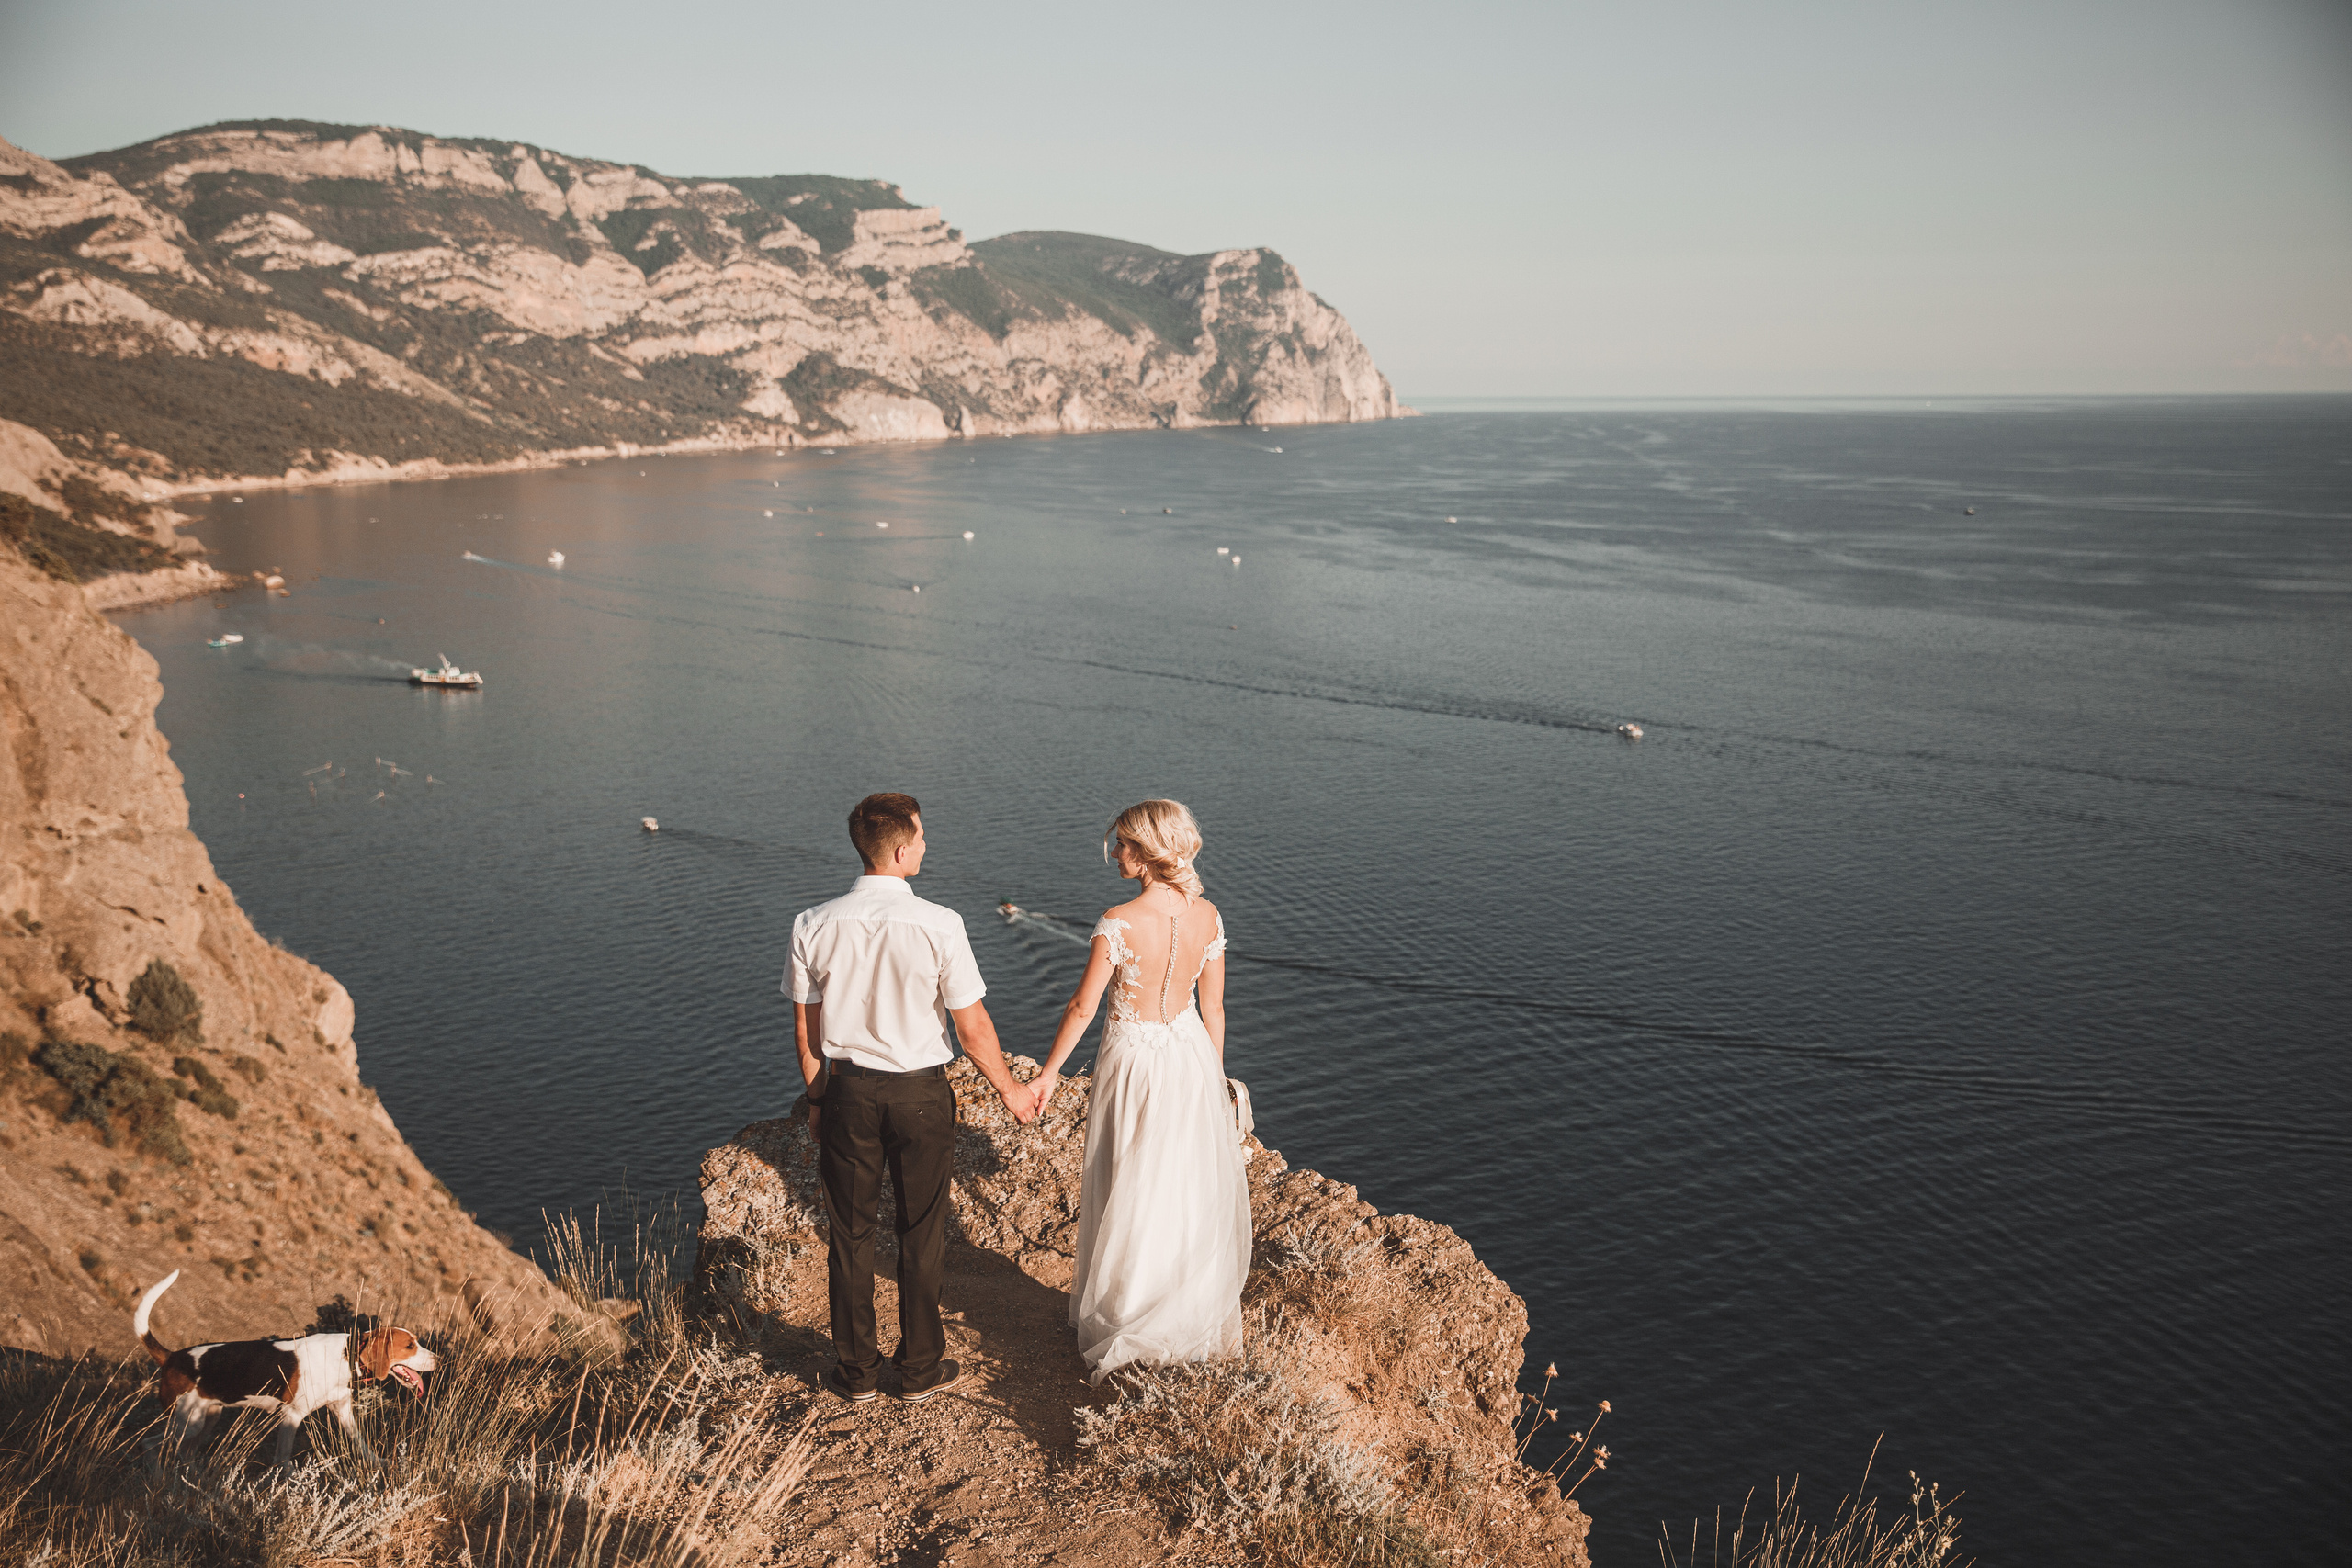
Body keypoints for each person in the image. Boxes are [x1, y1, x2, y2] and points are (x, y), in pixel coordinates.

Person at [788, 792, 1037, 1404]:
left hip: (847, 1091)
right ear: (901, 851)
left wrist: (819, 1101)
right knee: (921, 1232)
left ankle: (856, 1374)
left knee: (848, 1234)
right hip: (921, 1094)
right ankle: (920, 1367)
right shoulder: (940, 924)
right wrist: (1010, 1089)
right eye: (922, 837)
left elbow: (807, 1029)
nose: (926, 845)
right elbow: (972, 1026)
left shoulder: (811, 923)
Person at [1031, 798, 1250, 1381]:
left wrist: (1049, 1072)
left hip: (1132, 1057)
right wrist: (1214, 1077)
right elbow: (1216, 1008)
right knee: (1178, 1179)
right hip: (1191, 1056)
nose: (1115, 854)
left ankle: (1125, 1311)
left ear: (1149, 851)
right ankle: (1180, 1310)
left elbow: (1082, 1007)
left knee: (1127, 1171)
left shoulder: (1119, 921)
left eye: (1124, 843)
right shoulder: (1210, 917)